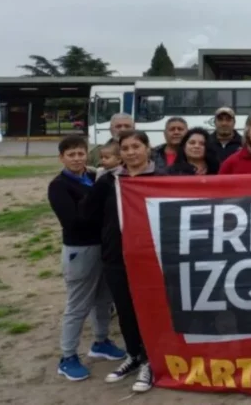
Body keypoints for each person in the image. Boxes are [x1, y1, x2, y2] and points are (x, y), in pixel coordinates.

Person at [80, 130, 166, 393]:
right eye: (125, 148)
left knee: (152, 309)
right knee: (126, 309)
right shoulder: (109, 181)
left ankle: (152, 361)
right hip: (117, 257)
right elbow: (87, 212)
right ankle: (134, 354)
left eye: (136, 146)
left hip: (152, 257)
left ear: (147, 148)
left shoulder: (162, 179)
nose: (131, 152)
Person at [48, 135, 125, 381]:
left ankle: (101, 342)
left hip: (103, 246)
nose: (77, 158)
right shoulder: (59, 185)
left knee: (103, 299)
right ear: (62, 158)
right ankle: (67, 356)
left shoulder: (93, 176)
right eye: (71, 154)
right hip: (80, 250)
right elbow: (73, 221)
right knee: (78, 303)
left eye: (80, 153)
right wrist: (102, 212)